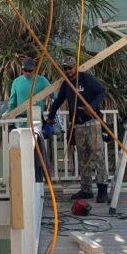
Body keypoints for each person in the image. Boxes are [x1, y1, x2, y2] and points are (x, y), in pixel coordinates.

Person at [46, 57, 109, 202]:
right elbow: (58, 102)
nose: (68, 71)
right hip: (78, 125)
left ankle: (102, 189)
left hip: (92, 123)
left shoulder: (86, 79)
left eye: (70, 68)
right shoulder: (67, 84)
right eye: (65, 69)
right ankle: (86, 189)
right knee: (83, 158)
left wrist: (91, 106)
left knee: (97, 155)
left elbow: (101, 92)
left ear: (76, 67)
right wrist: (50, 117)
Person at [8, 56, 52, 121]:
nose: (27, 73)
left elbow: (55, 95)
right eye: (25, 70)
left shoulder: (43, 81)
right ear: (22, 69)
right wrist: (10, 119)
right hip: (20, 119)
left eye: (30, 71)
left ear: (35, 69)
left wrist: (49, 94)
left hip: (37, 118)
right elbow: (12, 103)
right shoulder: (16, 82)